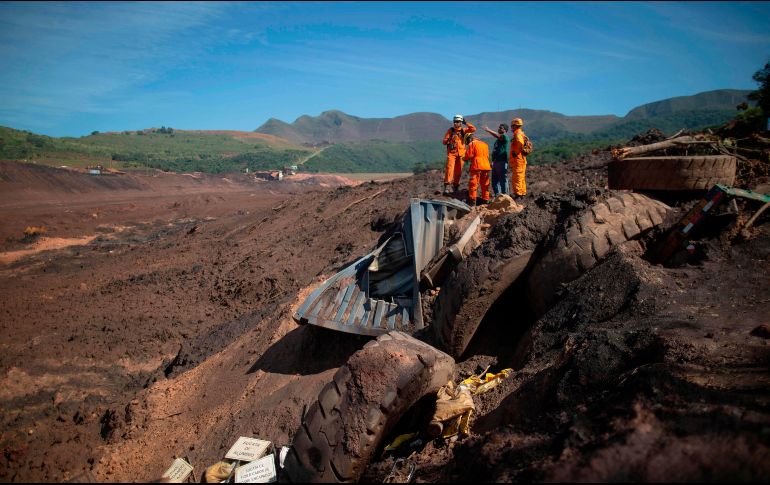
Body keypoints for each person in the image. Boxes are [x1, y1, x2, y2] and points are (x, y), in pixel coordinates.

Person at [442, 114, 476, 195]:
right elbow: (444, 141)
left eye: (457, 122)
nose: (455, 123)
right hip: (452, 153)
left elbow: (473, 129)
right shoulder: (450, 130)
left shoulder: (463, 130)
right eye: (454, 122)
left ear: (461, 122)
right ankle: (447, 186)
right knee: (449, 169)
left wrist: (466, 123)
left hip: (461, 154)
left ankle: (456, 186)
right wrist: (449, 139)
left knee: (458, 171)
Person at [462, 132, 491, 206]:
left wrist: (463, 158)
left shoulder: (472, 144)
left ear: (469, 139)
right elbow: (487, 156)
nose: (468, 143)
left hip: (477, 166)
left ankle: (472, 201)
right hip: (486, 166)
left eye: (467, 141)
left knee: (473, 184)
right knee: (485, 184)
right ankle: (486, 200)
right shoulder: (485, 144)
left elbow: (469, 155)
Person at [482, 123, 510, 196]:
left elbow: (498, 135)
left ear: (505, 130)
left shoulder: (505, 137)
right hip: (495, 162)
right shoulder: (497, 141)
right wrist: (492, 161)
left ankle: (505, 196)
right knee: (495, 180)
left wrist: (488, 130)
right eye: (499, 127)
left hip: (502, 161)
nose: (499, 129)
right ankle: (498, 196)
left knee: (502, 179)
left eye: (501, 128)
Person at [509, 118, 528, 198]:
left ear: (515, 126)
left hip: (518, 160)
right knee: (521, 178)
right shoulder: (521, 133)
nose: (511, 128)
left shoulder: (518, 134)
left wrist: (515, 153)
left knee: (517, 178)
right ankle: (522, 193)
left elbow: (520, 143)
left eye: (512, 126)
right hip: (521, 160)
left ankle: (518, 195)